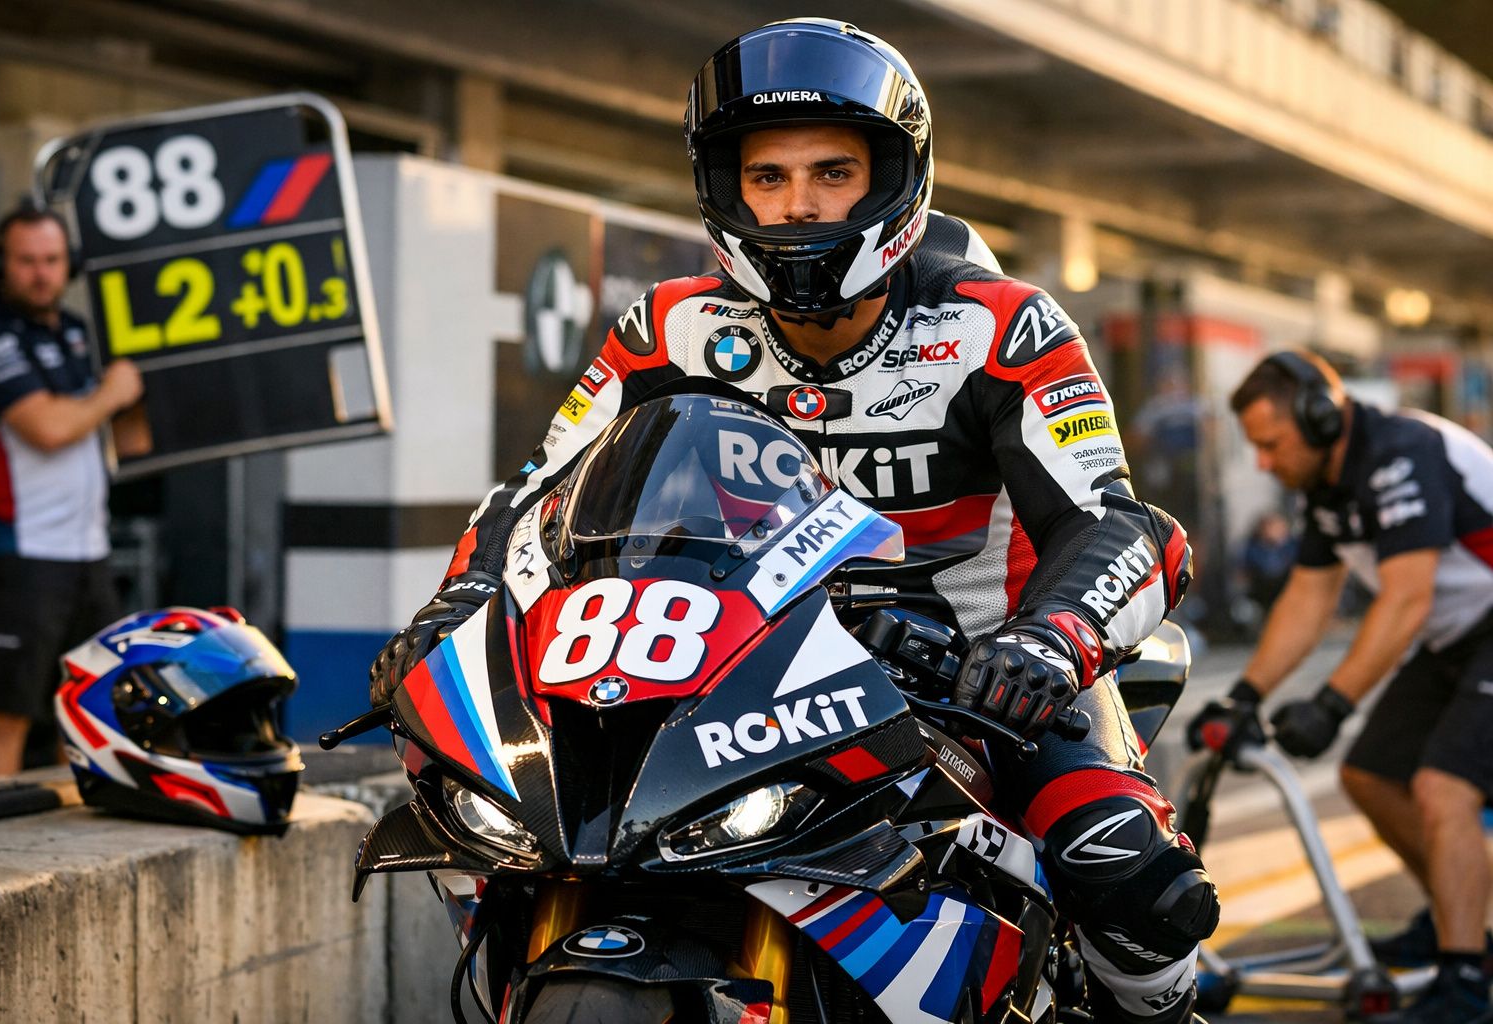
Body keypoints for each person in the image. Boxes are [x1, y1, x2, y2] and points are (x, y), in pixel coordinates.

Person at [372, 20, 1216, 1022]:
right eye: (766, 177)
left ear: (894, 178)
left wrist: (1046, 641)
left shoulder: (1003, 326)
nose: (798, 203)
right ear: (725, 188)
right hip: (735, 669)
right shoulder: (668, 326)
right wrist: (456, 604)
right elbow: (533, 493)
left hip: (979, 679)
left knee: (1118, 865)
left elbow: (1112, 522)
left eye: (831, 172)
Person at [1191, 350, 1493, 1023]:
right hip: (1462, 634)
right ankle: (1459, 922)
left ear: (1319, 417)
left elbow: (1406, 600)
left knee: (1444, 787)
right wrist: (1245, 695)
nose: (1263, 463)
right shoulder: (1330, 485)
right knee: (1369, 775)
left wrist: (1333, 704)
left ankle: (1467, 980)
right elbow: (1309, 595)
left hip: (1481, 625)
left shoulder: (1401, 452)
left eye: (1270, 444)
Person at [0, 201, 142, 779]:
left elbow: (121, 439)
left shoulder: (77, 333)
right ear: (0, 265)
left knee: (90, 710)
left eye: (52, 260)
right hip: (18, 556)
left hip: (86, 554)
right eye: (26, 261)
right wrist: (114, 393)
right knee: (4, 712)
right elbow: (49, 428)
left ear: (70, 266)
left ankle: (70, 834)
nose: (41, 273)